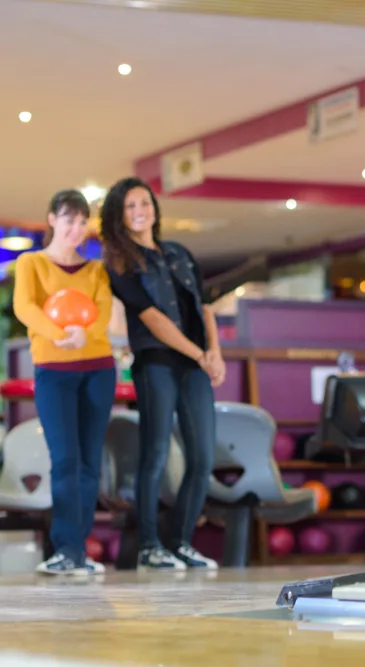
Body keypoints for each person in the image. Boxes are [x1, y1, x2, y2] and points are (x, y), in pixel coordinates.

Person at [100, 177, 225, 572]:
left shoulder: (179, 252)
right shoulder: (120, 261)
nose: (141, 211)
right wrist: (200, 355)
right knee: (154, 454)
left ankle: (182, 542)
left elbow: (204, 307)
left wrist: (215, 354)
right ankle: (150, 546)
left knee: (203, 456)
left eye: (145, 203)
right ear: (120, 217)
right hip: (156, 363)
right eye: (131, 206)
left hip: (195, 365)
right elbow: (152, 319)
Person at [13, 190, 116, 575]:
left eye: (81, 220)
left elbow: (101, 314)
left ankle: (79, 551)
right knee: (65, 460)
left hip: (98, 369)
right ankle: (65, 549)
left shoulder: (96, 271)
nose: (76, 228)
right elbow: (25, 306)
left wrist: (81, 336)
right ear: (52, 219)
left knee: (90, 462)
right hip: (54, 371)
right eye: (68, 219)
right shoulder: (31, 263)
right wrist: (59, 334)